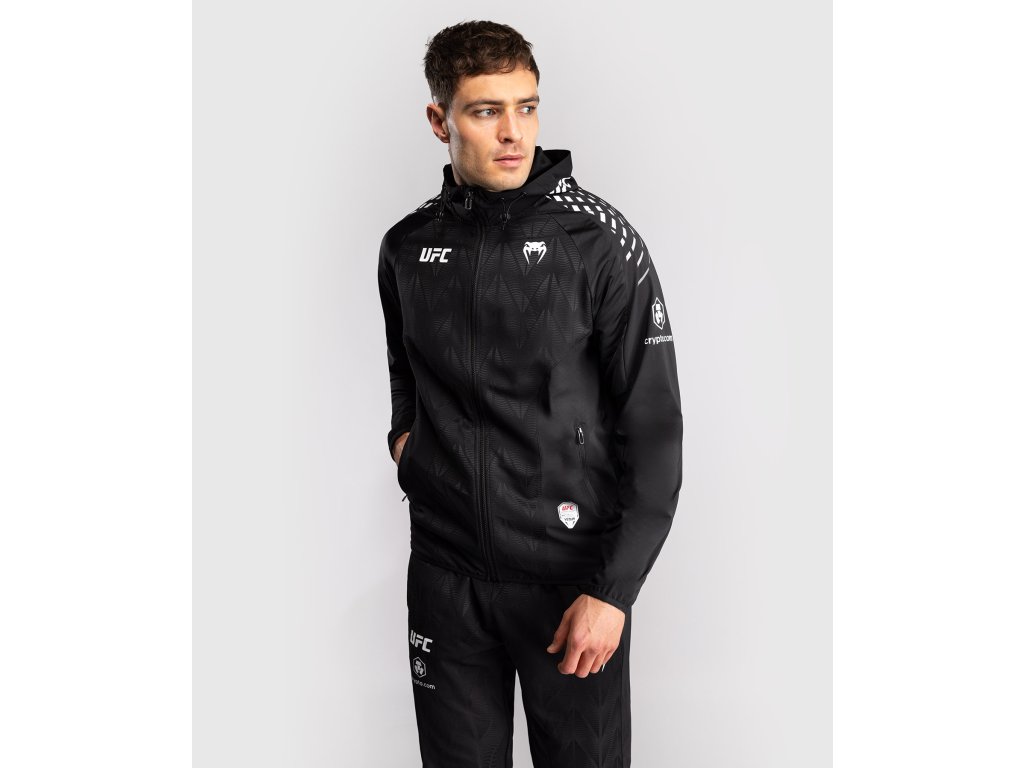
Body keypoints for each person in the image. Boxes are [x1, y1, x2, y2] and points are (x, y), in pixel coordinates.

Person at [377, 19, 683, 768]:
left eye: (527, 107)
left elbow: (655, 432)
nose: (513, 132)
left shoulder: (599, 242)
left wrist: (613, 593)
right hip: (446, 578)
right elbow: (404, 372)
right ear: (440, 119)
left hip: (570, 583)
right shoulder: (407, 247)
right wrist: (408, 445)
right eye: (486, 111)